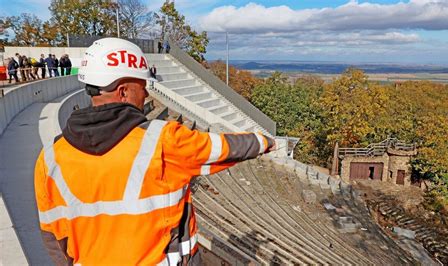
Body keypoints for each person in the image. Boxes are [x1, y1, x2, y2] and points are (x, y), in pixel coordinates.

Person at [34, 37, 275, 265]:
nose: (147, 94)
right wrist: (265, 142)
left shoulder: (50, 157)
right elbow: (222, 149)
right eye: (142, 86)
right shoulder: (162, 140)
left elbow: (51, 237)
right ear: (123, 91)